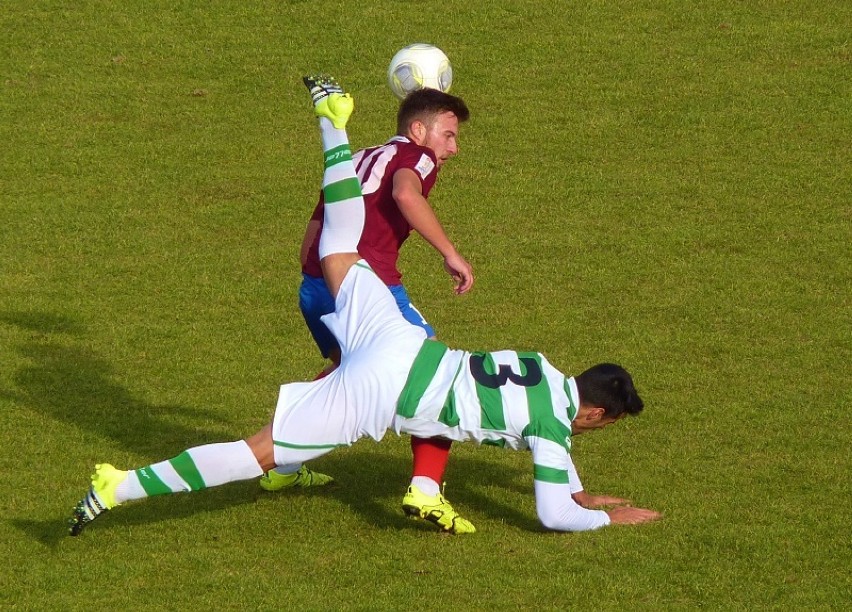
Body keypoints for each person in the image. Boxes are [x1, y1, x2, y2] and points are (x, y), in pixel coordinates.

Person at [68, 75, 662, 537]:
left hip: (395, 340)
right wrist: (607, 517)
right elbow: (555, 513)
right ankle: (120, 487)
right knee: (259, 454)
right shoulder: (552, 427)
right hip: (383, 393)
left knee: (339, 246)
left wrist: (584, 492)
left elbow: (561, 442)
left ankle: (333, 127)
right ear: (592, 416)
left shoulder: (538, 364)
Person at [260, 87, 475, 533]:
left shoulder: (356, 156)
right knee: (432, 371)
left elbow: (319, 216)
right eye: (449, 135)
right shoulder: (418, 157)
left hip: (316, 285)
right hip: (365, 286)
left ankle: (279, 464)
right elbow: (405, 195)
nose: (453, 148)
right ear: (419, 130)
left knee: (348, 376)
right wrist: (450, 253)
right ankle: (425, 489)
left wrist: (312, 275)